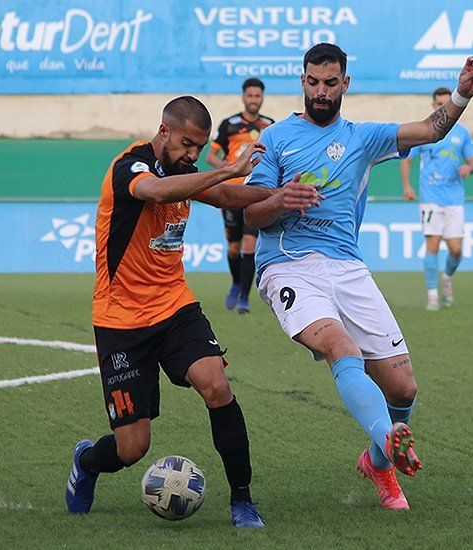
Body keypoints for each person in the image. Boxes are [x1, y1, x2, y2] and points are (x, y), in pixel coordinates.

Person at [244, 44, 473, 510]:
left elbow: (428, 130)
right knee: (343, 348)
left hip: (348, 267)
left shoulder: (363, 137)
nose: (321, 92)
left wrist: (461, 95)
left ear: (345, 84)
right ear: (302, 82)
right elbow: (249, 217)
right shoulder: (276, 139)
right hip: (288, 265)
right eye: (313, 82)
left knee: (403, 388)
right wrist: (281, 200)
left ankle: (378, 460)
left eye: (330, 83)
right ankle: (391, 441)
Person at [64, 96, 300, 528]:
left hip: (174, 306)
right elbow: (154, 191)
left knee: (216, 385)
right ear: (164, 131)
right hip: (121, 320)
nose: (192, 154)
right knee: (132, 447)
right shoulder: (130, 166)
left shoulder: (185, 170)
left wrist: (279, 194)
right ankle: (88, 461)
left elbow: (227, 194)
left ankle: (242, 500)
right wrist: (228, 167)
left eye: (199, 146)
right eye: (187, 144)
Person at [400, 87, 473, 310]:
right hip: (430, 197)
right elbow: (407, 159)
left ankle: (446, 278)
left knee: (455, 250)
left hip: (454, 199)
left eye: (447, 103)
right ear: (433, 106)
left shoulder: (462, 133)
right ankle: (432, 295)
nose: (444, 107)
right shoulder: (425, 132)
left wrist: (468, 169)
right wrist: (407, 185)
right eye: (440, 104)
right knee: (432, 244)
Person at [207, 78, 275, 314]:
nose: (254, 100)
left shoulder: (271, 126)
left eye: (258, 96)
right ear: (244, 97)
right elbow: (211, 156)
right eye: (250, 96)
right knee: (234, 248)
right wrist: (230, 168)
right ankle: (236, 283)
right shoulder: (229, 125)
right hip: (231, 193)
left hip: (255, 193)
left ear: (262, 98)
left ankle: (244, 297)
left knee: (249, 244)